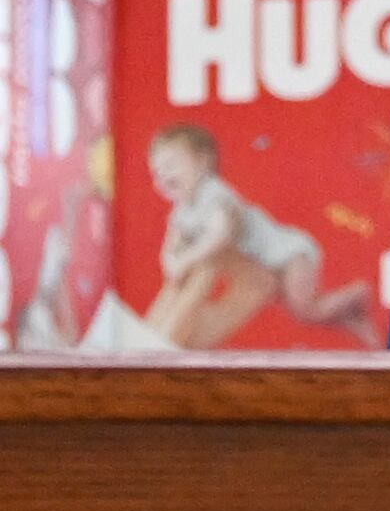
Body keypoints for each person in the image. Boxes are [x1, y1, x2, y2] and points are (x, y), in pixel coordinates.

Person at [146, 126, 375, 347]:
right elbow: (172, 241)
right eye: (157, 171)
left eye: (171, 164)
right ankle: (354, 318)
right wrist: (170, 261)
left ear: (204, 161)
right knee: (309, 314)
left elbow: (220, 235)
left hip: (288, 256)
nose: (163, 174)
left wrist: (185, 260)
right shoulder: (183, 208)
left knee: (306, 309)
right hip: (264, 267)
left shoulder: (215, 194)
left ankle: (357, 294)